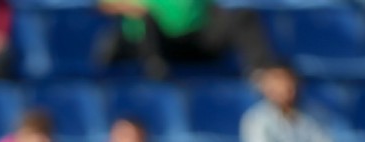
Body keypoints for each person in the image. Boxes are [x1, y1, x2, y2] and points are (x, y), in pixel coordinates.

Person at [95, 0, 274, 82]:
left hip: (199, 38)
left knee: (243, 16)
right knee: (147, 21)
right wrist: (137, 7)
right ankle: (155, 72)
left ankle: (260, 71)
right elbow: (105, 4)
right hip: (162, 43)